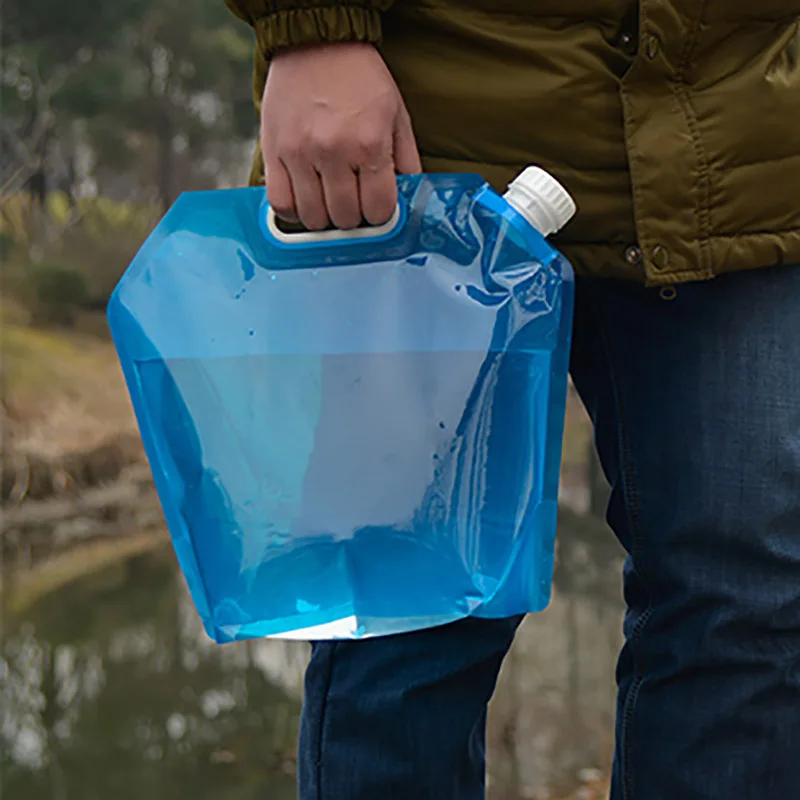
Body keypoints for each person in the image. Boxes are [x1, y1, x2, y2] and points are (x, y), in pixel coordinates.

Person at [224, 2, 800, 798]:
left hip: (743, 144)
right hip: (435, 144)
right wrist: (314, 26)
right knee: (409, 624)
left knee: (745, 614)